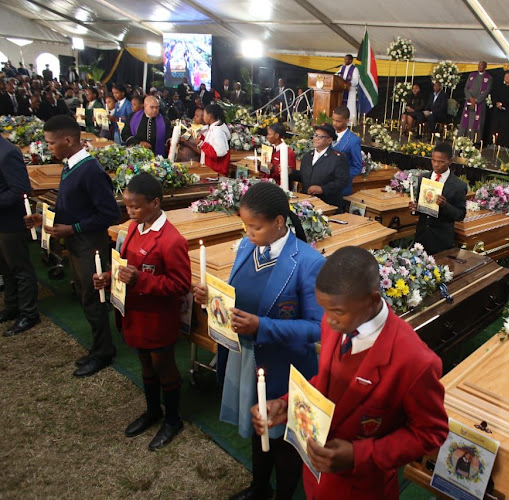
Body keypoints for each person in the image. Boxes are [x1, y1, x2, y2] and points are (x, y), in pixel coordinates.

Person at [251, 246, 449, 500]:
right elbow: (327, 380)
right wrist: (285, 404)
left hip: (361, 488)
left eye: (337, 312)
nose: (328, 320)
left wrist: (360, 454)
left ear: (373, 300)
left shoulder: (415, 362)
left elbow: (431, 434)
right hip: (316, 476)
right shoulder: (336, 321)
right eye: (324, 309)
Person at [193, 182, 325, 500]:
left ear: (279, 222)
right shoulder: (246, 246)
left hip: (283, 364)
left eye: (255, 226)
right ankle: (259, 486)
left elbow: (317, 328)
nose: (248, 232)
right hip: (246, 357)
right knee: (257, 425)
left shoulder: (308, 262)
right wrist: (213, 296)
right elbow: (238, 291)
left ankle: (283, 494)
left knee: (282, 440)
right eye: (245, 225)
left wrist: (262, 326)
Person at [92, 172, 191, 450]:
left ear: (155, 203)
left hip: (158, 317)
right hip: (135, 312)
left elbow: (181, 284)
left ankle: (173, 419)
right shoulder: (136, 226)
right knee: (145, 362)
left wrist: (141, 280)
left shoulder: (172, 240)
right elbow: (127, 264)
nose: (129, 211)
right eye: (126, 205)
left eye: (135, 206)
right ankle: (152, 411)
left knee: (164, 366)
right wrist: (110, 275)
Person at [24, 116, 120, 377]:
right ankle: (98, 346)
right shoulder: (69, 164)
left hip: (90, 245)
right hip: (78, 244)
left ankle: (103, 352)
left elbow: (110, 213)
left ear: (68, 140)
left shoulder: (91, 170)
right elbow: (69, 204)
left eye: (51, 143)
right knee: (84, 295)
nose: (48, 148)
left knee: (93, 298)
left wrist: (73, 228)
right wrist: (44, 217)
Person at [0, 136, 40, 336]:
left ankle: (29, 313)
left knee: (19, 268)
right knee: (5, 268)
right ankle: (12, 305)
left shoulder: (7, 153)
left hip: (11, 222)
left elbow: (20, 190)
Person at [409, 142, 468, 255]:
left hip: (441, 240)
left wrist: (445, 205)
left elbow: (460, 215)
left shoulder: (458, 185)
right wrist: (415, 208)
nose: (436, 164)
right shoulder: (424, 178)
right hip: (421, 237)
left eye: (441, 162)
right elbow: (421, 206)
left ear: (450, 161)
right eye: (433, 160)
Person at [289, 123, 350, 211]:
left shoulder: (337, 158)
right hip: (307, 203)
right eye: (315, 135)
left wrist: (322, 189)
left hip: (327, 203)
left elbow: (343, 181)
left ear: (329, 140)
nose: (316, 138)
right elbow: (304, 176)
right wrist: (291, 172)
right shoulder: (308, 156)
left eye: (320, 137)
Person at [331, 106, 362, 196]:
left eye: (338, 121)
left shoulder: (353, 140)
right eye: (333, 120)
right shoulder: (328, 135)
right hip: (325, 184)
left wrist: (342, 176)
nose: (335, 124)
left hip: (341, 188)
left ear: (347, 121)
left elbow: (357, 167)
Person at [458, 61, 492, 142]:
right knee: (466, 120)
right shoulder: (472, 75)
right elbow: (466, 88)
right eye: (479, 65)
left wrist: (476, 100)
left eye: (482, 65)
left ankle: (474, 139)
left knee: (476, 121)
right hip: (469, 101)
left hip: (479, 103)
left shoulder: (488, 77)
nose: (480, 67)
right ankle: (463, 137)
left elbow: (487, 91)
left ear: (485, 67)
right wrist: (470, 98)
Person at [199, 103, 231, 175]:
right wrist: (201, 138)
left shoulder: (218, 131)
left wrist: (201, 144)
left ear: (209, 116)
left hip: (215, 171)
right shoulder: (214, 128)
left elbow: (218, 152)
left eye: (204, 115)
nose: (203, 117)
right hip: (210, 169)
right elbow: (211, 142)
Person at [491, 70, 509, 148]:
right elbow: (495, 95)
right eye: (505, 77)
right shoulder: (500, 86)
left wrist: (503, 104)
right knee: (497, 126)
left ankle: (505, 145)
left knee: (506, 128)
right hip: (498, 111)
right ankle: (495, 143)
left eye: (508, 77)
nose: (506, 78)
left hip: (508, 111)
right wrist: (497, 103)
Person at [337, 54, 360, 125]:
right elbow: (336, 76)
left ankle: (350, 123)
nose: (345, 61)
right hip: (341, 91)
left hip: (350, 91)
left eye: (347, 59)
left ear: (351, 60)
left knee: (350, 106)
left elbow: (356, 80)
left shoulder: (354, 69)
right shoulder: (342, 68)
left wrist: (350, 82)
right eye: (345, 59)